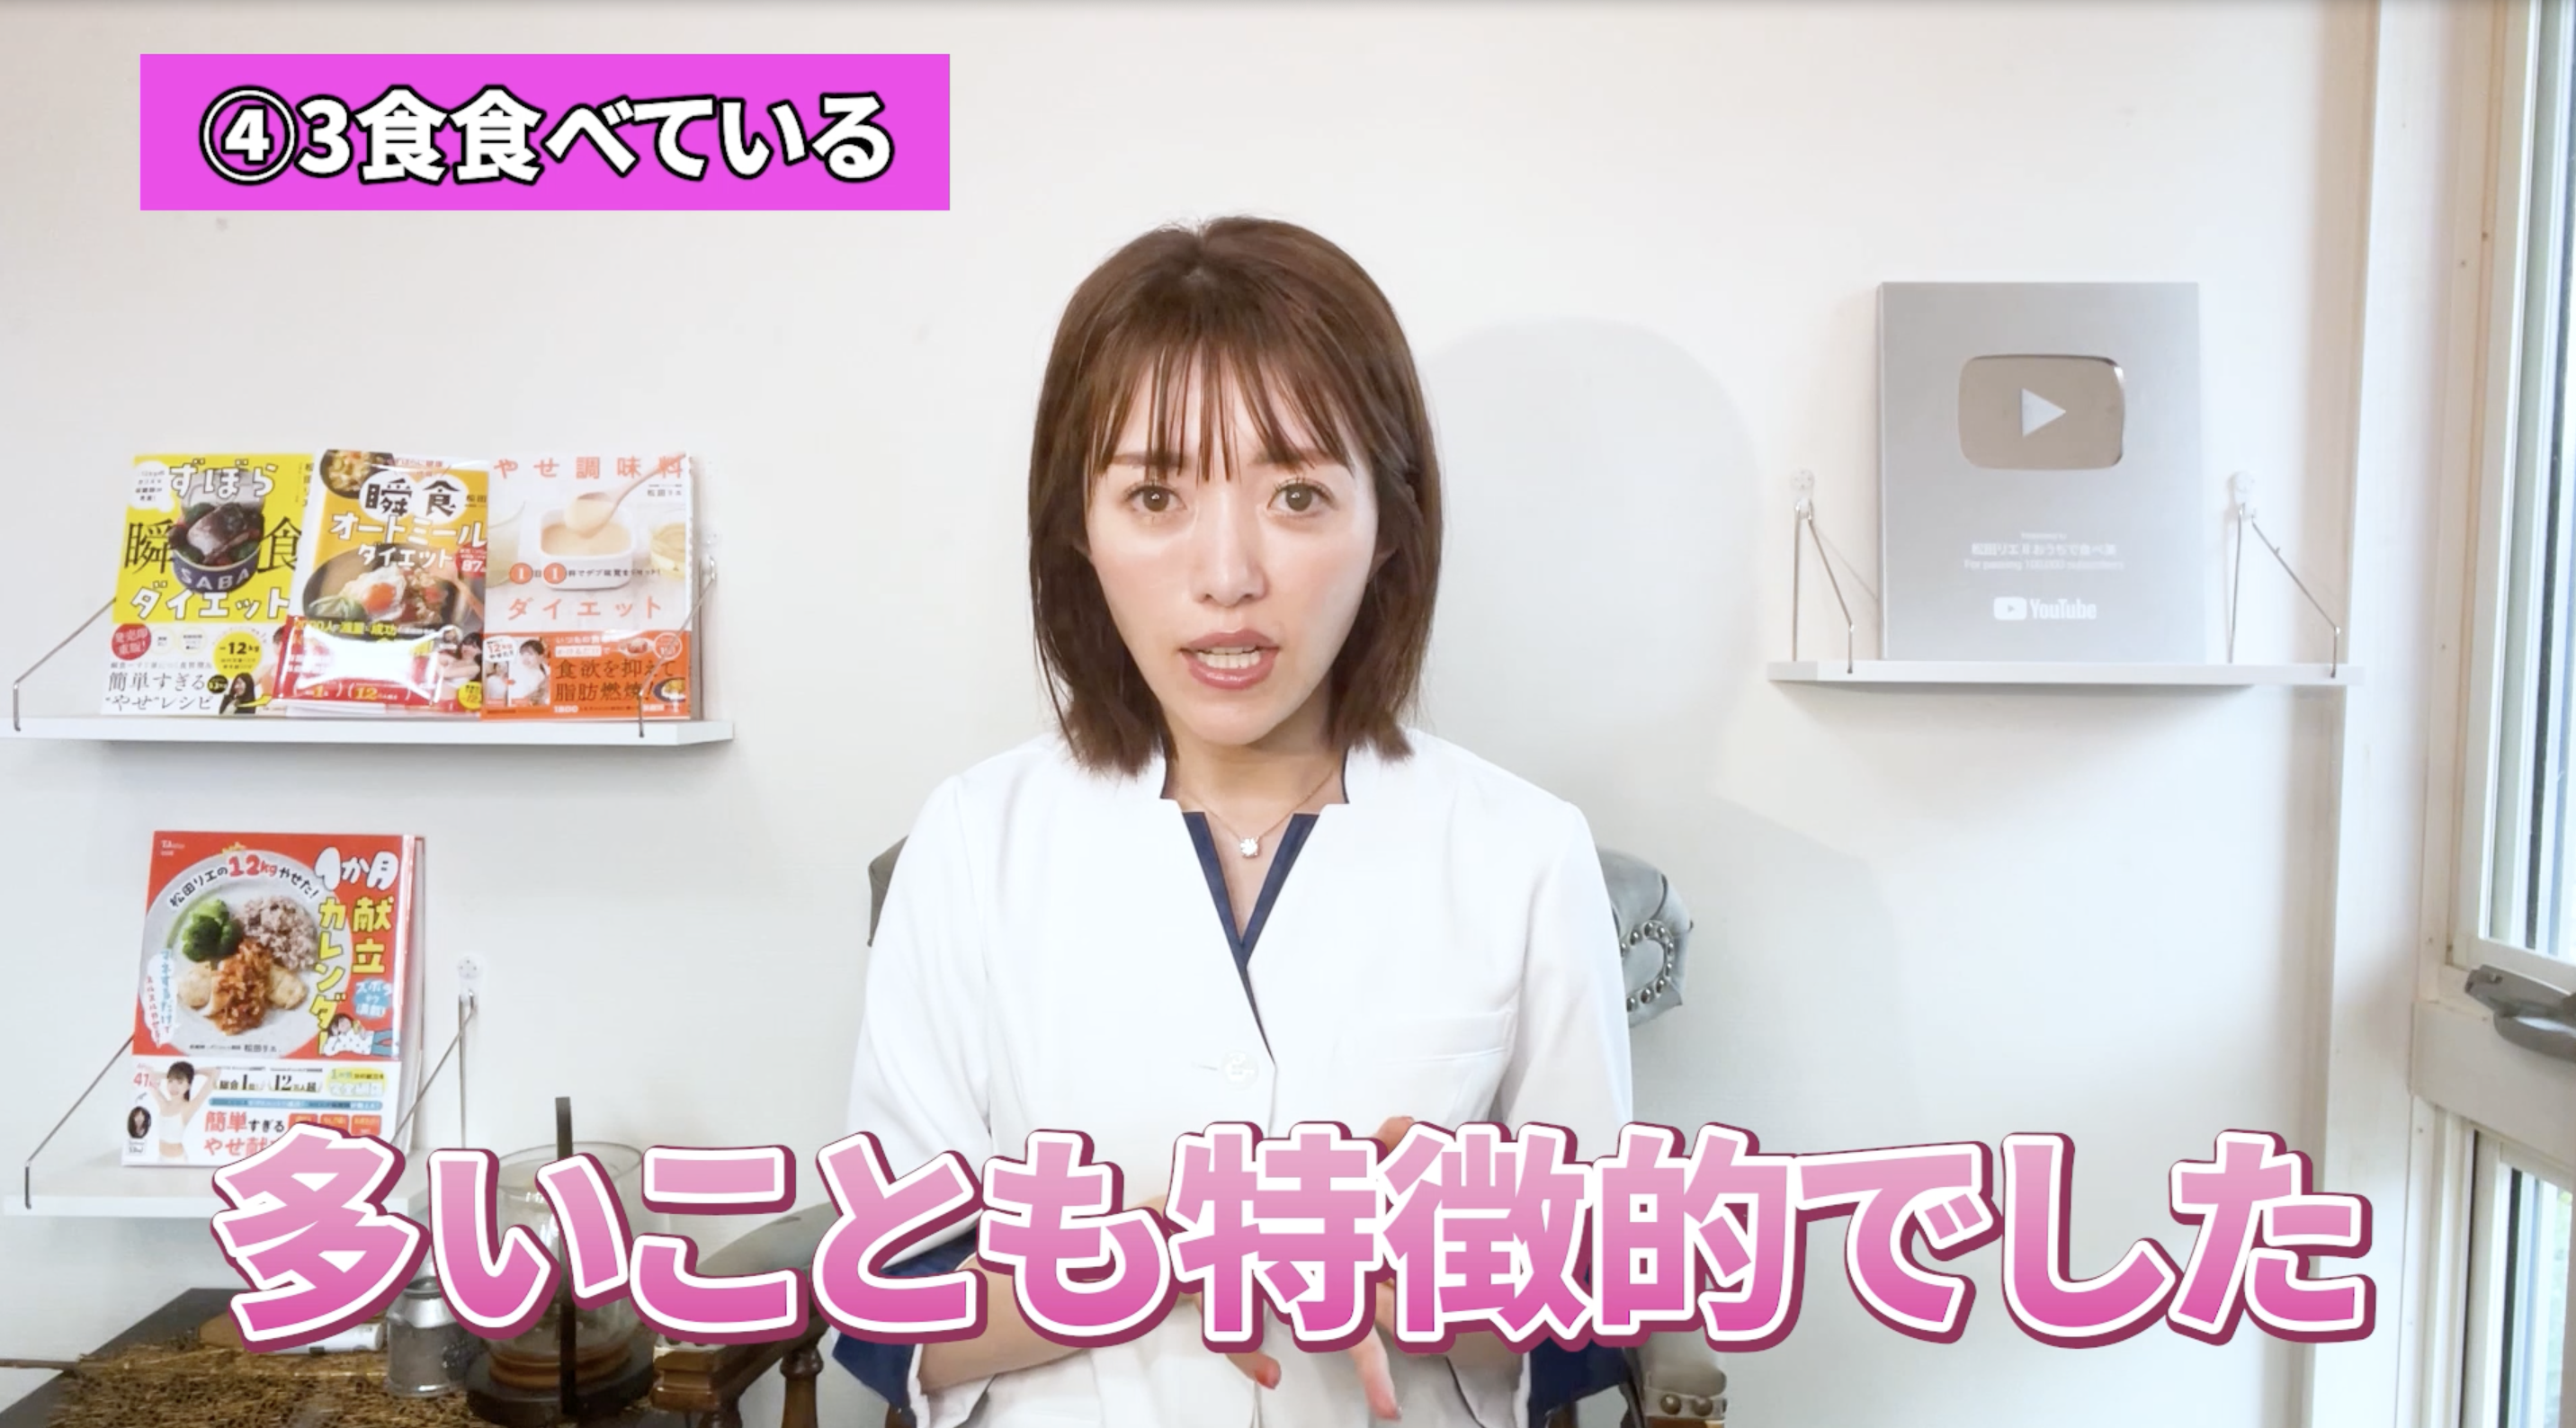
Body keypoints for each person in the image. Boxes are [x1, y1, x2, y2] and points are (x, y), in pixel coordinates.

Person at [837, 218, 1632, 1428]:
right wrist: (1176, 1249)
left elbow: (1600, 1296)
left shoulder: (1521, 852)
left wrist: (1400, 1272)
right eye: (1155, 494)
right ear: (1079, 527)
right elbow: (887, 1306)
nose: (1227, 574)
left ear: (1390, 523)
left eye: (1298, 494)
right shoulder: (973, 840)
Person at [147, 1061, 212, 1161]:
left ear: (189, 1086)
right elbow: (148, 1077)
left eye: (180, 1082)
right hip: (160, 1158)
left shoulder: (188, 1107)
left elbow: (215, 1072)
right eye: (170, 1081)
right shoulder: (164, 1105)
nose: (174, 1087)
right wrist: (169, 1075)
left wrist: (194, 1073)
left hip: (177, 1160)